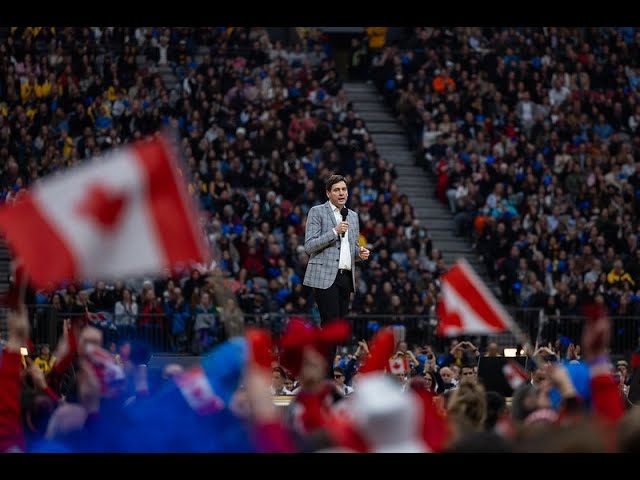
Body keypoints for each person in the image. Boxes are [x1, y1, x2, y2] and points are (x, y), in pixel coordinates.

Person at [303, 174, 370, 327]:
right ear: (328, 193)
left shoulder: (352, 216)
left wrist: (359, 253)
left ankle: (332, 352)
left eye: (344, 189)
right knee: (330, 325)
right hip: (325, 277)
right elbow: (309, 246)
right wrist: (334, 232)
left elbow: (350, 247)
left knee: (339, 327)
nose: (341, 193)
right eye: (336, 190)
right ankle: (327, 352)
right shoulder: (317, 211)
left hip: (346, 277)